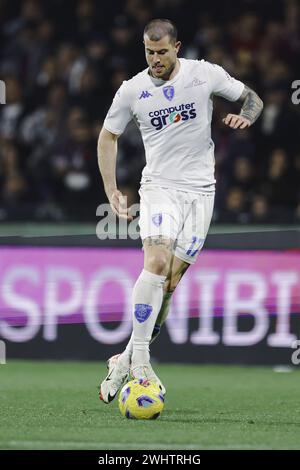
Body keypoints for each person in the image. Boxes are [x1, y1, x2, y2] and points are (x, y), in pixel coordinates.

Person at [97, 19, 263, 403]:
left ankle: (121, 360)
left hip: (201, 192)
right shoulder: (132, 90)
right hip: (159, 188)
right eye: (148, 52)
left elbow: (251, 97)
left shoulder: (204, 74)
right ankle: (140, 362)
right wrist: (111, 188)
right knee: (155, 262)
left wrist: (247, 116)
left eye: (161, 52)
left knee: (169, 285)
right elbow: (108, 136)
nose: (155, 59)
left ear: (177, 47)